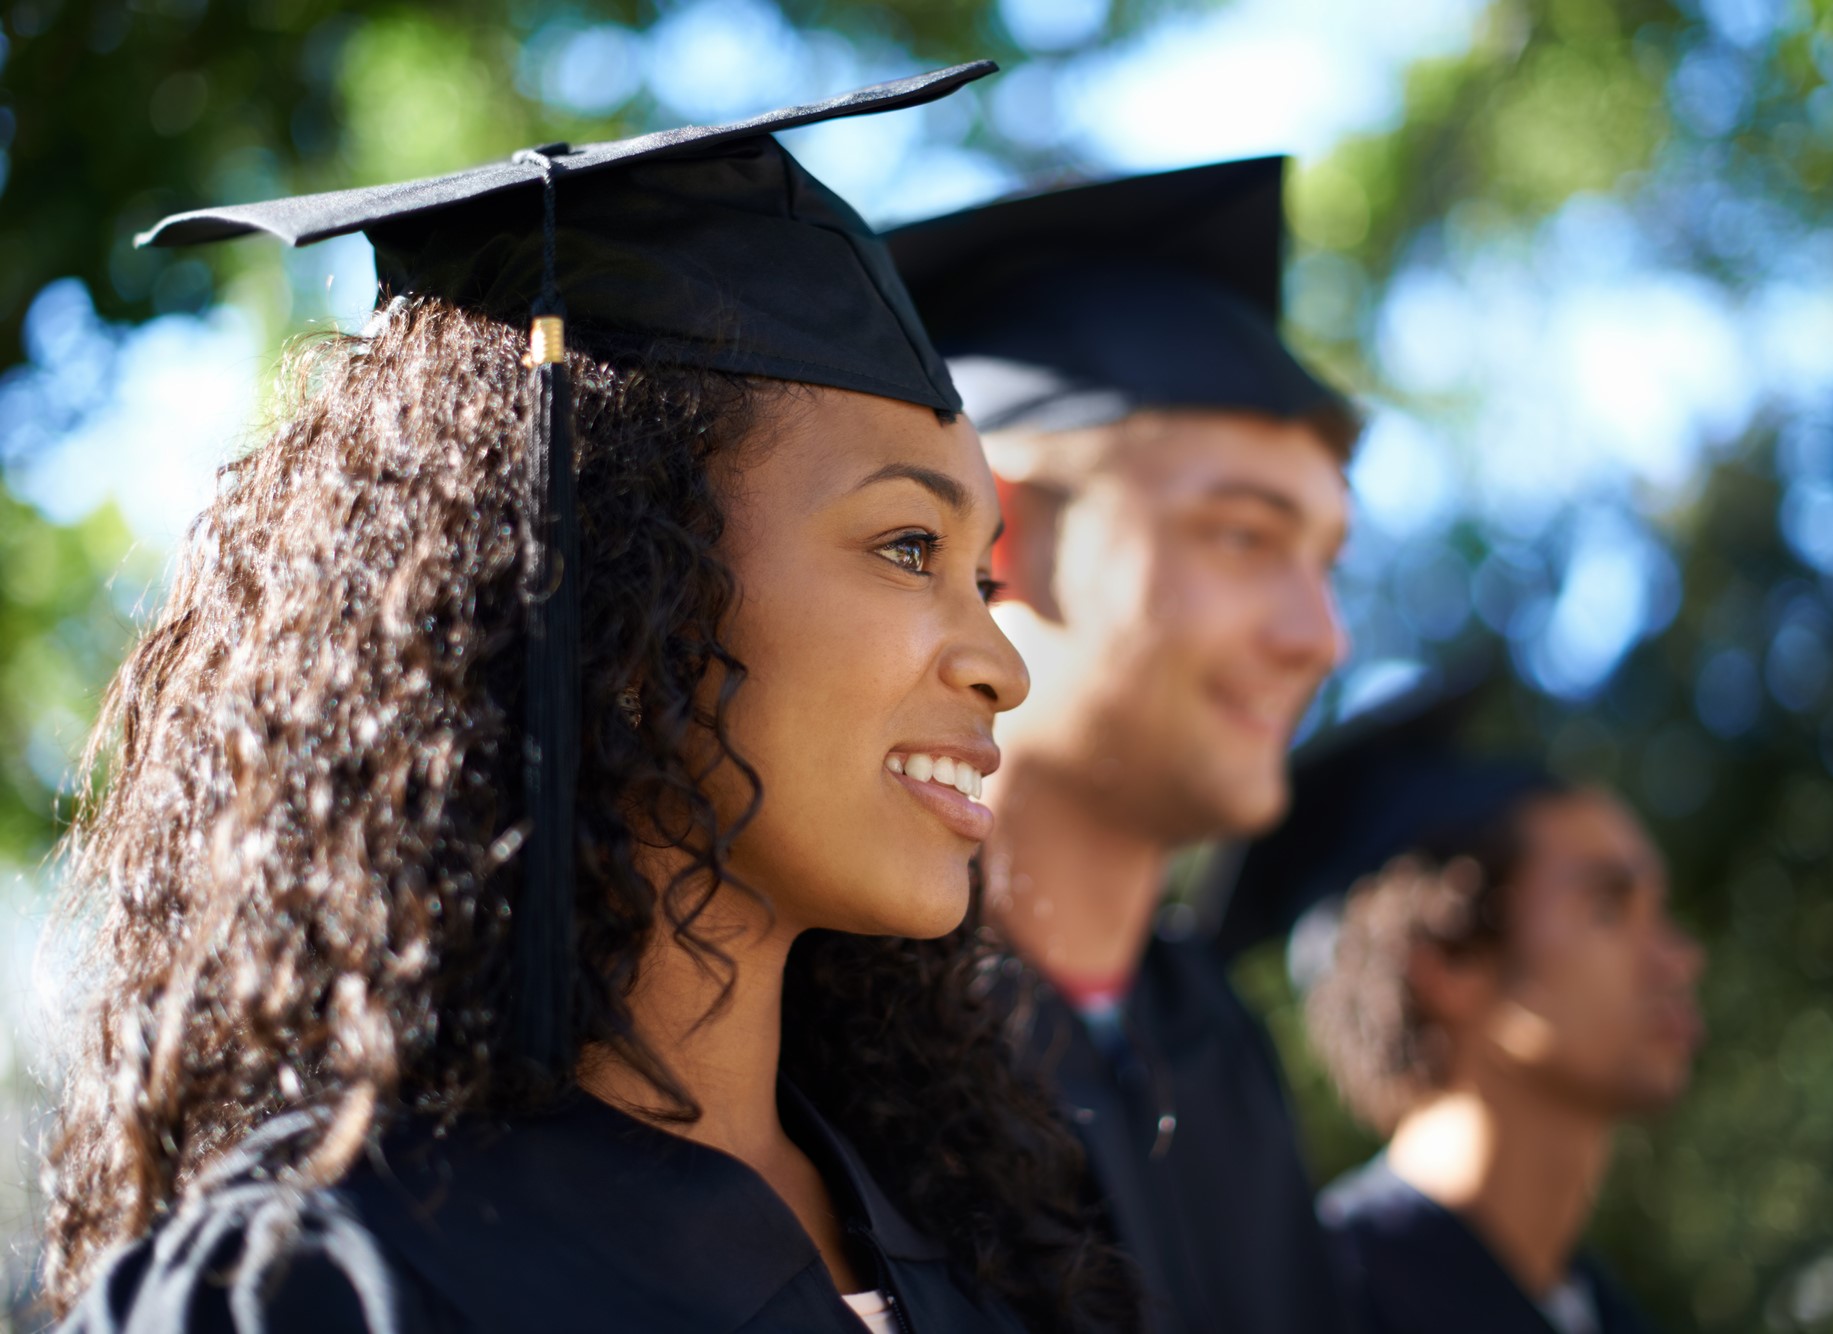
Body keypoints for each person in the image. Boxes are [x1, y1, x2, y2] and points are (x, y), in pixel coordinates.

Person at [41, 65, 1135, 1334]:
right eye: (907, 547)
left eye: (986, 574)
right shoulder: (336, 1279)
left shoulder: (996, 1250)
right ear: (618, 569)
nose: (1002, 661)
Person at [887, 160, 1361, 1333]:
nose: (1322, 636)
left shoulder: (1222, 1052)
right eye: (1245, 536)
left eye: (1328, 559)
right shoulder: (831, 1029)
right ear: (1004, 532)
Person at [1252, 690, 1705, 1334]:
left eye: (1660, 912)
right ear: (1446, 963)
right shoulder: (1312, 1304)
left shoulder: (1601, 1311)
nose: (1679, 959)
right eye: (1609, 908)